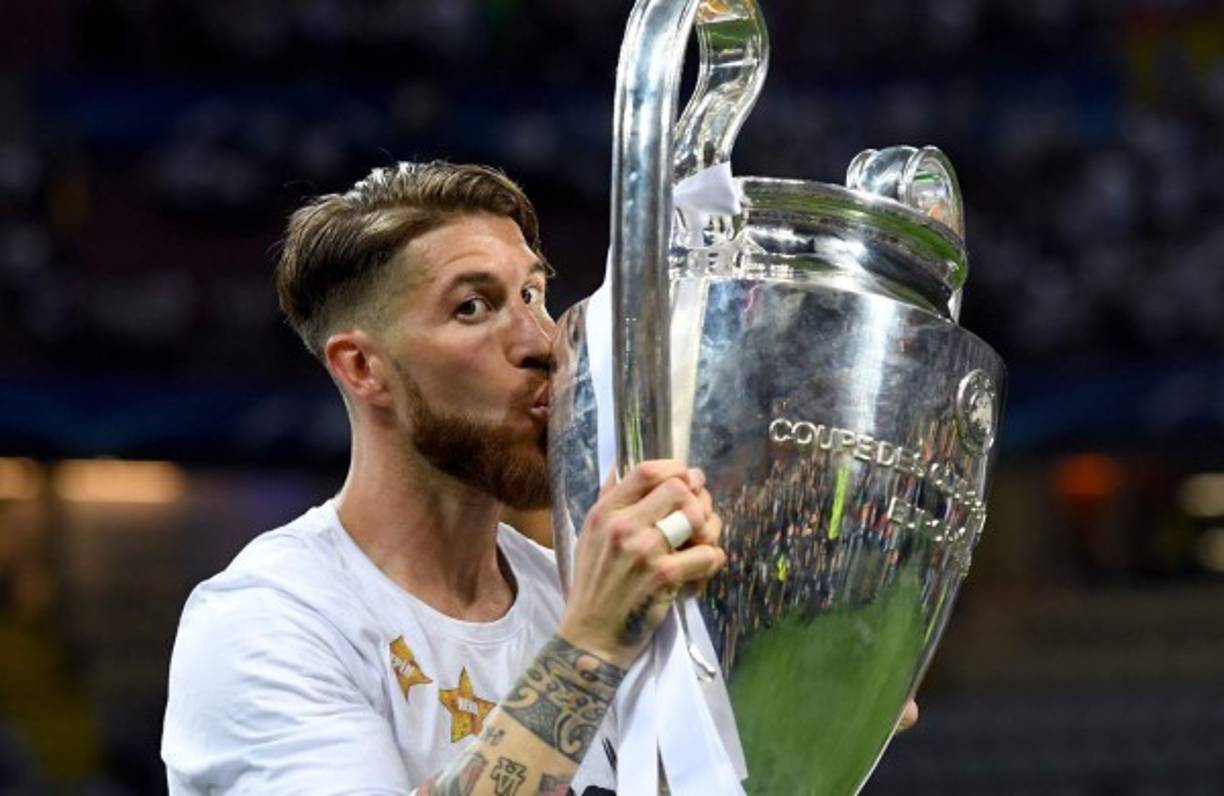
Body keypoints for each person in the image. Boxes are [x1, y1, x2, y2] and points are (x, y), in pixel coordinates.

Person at [160, 161, 729, 795]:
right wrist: (589, 647)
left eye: (533, 295)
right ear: (363, 367)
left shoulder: (572, 590)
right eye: (472, 306)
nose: (543, 342)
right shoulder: (268, 620)